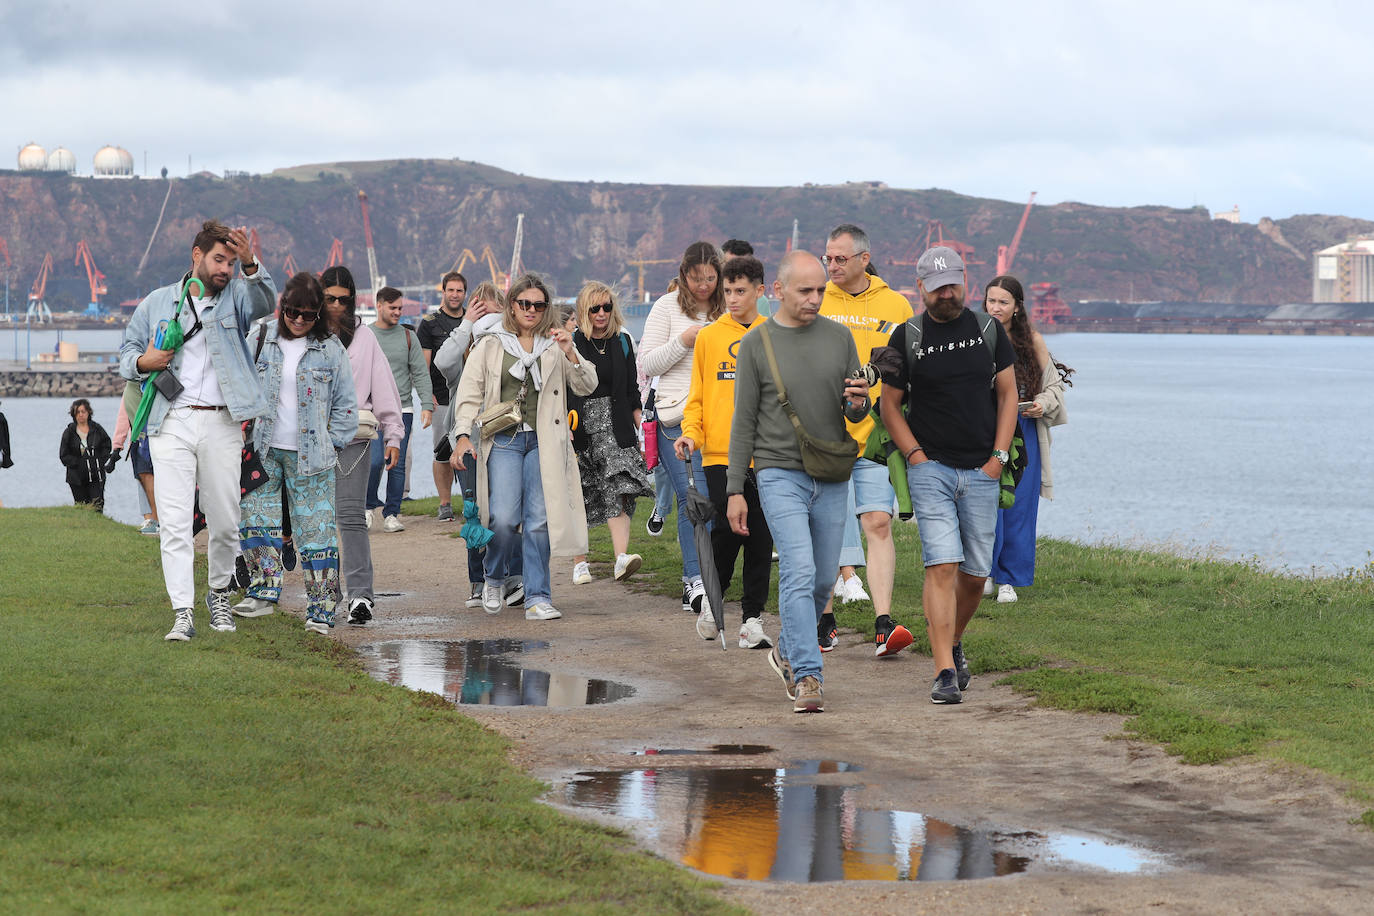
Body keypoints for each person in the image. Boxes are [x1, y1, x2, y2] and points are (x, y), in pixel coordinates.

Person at [726, 251, 870, 713]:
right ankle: (808, 675)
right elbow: (743, 421)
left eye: (820, 290)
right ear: (778, 291)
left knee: (823, 578)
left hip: (829, 473)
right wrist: (734, 489)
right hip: (777, 471)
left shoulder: (840, 337)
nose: (814, 299)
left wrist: (859, 405)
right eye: (805, 290)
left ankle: (787, 648)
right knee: (799, 569)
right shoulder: (756, 343)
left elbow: (852, 413)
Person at [120, 220, 275, 642]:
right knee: (173, 522)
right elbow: (127, 352)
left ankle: (219, 594)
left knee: (225, 520)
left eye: (230, 261)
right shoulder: (157, 302)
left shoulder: (237, 297)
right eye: (218, 259)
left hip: (223, 420)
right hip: (170, 422)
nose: (224, 268)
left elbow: (265, 302)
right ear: (197, 255)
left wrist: (251, 263)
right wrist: (143, 363)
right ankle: (182, 611)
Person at [879, 246, 1017, 704]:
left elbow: (1009, 395)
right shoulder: (907, 336)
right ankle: (942, 671)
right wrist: (915, 455)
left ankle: (953, 640)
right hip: (931, 469)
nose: (946, 294)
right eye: (937, 287)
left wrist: (998, 456)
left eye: (953, 284)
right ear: (920, 288)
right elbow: (890, 406)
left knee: (975, 575)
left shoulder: (988, 331)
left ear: (965, 281)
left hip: (982, 467)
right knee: (942, 564)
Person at [450, 273, 598, 621]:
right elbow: (468, 394)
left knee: (538, 522)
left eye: (539, 304)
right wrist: (461, 437)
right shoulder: (490, 343)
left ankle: (538, 597)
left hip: (544, 442)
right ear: (512, 306)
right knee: (503, 518)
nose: (531, 310)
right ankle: (493, 576)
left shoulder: (554, 344)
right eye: (524, 304)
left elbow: (587, 384)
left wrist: (570, 350)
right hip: (503, 439)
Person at [269, 264, 405, 628]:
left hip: (353, 438)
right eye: (330, 299)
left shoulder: (364, 338)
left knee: (349, 517)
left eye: (345, 300)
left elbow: (384, 385)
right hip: (306, 440)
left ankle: (361, 596)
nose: (338, 306)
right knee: (316, 522)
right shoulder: (300, 332)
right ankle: (328, 595)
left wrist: (393, 434)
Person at [233, 273, 358, 632]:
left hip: (313, 457)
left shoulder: (331, 349)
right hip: (263, 449)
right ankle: (262, 593)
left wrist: (331, 444)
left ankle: (321, 610)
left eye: (308, 314)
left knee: (316, 533)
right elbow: (237, 383)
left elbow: (346, 407)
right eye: (292, 312)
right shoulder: (259, 338)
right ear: (281, 307)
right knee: (257, 521)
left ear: (319, 313)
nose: (299, 320)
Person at [819, 223, 915, 657]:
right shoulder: (816, 299)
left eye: (841, 258)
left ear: (863, 258)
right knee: (825, 526)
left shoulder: (895, 304)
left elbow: (905, 368)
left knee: (877, 523)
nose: (833, 265)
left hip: (876, 436)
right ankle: (824, 619)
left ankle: (883, 623)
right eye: (828, 258)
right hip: (826, 433)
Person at [676, 254, 774, 648]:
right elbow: (697, 397)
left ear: (760, 292)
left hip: (767, 455)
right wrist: (690, 435)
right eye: (727, 291)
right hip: (719, 454)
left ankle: (752, 621)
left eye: (740, 291)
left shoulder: (774, 334)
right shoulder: (710, 336)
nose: (732, 298)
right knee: (728, 532)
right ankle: (712, 606)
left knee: (761, 536)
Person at [638, 242, 724, 617]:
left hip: (722, 417)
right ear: (683, 273)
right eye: (695, 277)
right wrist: (683, 341)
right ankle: (696, 580)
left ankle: (712, 572)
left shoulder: (728, 307)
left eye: (710, 277)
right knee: (695, 500)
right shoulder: (666, 307)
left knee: (718, 500)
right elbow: (648, 362)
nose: (703, 285)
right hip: (676, 416)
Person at [981, 275, 1073, 603]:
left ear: (1017, 306)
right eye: (991, 301)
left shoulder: (1032, 341)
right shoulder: (975, 337)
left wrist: (1041, 405)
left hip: (1024, 429)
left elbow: (1054, 388)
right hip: (983, 430)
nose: (996, 308)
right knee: (984, 503)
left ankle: (1008, 579)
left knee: (1018, 505)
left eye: (1003, 302)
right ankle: (985, 572)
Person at [434, 280, 522, 609]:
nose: (488, 323)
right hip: (468, 442)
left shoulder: (511, 347)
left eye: (493, 313)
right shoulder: (463, 355)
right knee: (474, 511)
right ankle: (478, 580)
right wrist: (466, 324)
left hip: (505, 438)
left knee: (509, 510)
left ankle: (513, 577)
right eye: (480, 312)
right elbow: (442, 362)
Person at [567, 281, 651, 586]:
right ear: (584, 311)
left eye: (607, 307)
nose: (602, 313)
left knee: (620, 488)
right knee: (582, 493)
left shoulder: (622, 341)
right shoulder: (573, 343)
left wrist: (642, 428)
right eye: (595, 308)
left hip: (617, 427)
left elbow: (631, 391)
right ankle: (579, 563)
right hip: (581, 427)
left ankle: (620, 558)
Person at [367, 286, 432, 533]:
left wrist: (426, 405)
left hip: (402, 408)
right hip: (370, 411)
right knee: (373, 462)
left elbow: (420, 373)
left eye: (400, 308)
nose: (397, 312)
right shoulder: (366, 335)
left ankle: (392, 512)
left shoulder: (408, 336)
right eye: (392, 308)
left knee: (398, 463)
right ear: (379, 305)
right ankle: (368, 505)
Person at [418, 271, 469, 521]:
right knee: (442, 452)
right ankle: (445, 503)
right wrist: (427, 396)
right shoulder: (429, 323)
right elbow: (423, 364)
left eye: (459, 290)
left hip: (470, 397)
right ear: (444, 292)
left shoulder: (472, 320)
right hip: (441, 397)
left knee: (471, 449)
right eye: (451, 290)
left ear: (464, 293)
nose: (455, 295)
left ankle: (472, 500)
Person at [110, 399, 159, 534]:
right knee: (143, 481)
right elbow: (123, 418)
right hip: (139, 441)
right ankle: (150, 519)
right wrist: (117, 446)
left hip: (157, 439)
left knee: (152, 481)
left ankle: (156, 520)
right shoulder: (131, 389)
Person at [59, 398, 112, 510]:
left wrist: (100, 460)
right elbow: (63, 455)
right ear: (73, 414)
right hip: (76, 478)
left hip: (96, 475)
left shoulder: (97, 429)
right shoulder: (69, 432)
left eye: (83, 411)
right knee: (81, 507)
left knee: (97, 505)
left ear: (88, 412)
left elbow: (107, 445)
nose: (81, 415)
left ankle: (98, 526)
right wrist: (78, 463)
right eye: (77, 412)